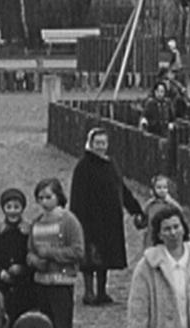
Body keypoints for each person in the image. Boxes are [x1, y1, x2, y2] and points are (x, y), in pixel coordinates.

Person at [69, 127, 145, 306]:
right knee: (90, 257)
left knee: (106, 256)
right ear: (91, 143)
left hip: (110, 219)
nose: (101, 147)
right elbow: (77, 196)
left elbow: (121, 189)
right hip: (89, 219)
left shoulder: (111, 164)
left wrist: (135, 209)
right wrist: (77, 220)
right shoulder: (84, 166)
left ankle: (102, 292)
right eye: (97, 143)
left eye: (103, 143)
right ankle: (89, 292)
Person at [127, 206, 190, 328]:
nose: (173, 233)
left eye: (176, 227)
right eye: (167, 229)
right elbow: (138, 309)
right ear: (159, 235)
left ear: (183, 229)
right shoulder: (147, 267)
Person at [27, 178, 84, 328]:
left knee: (61, 323)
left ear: (58, 197)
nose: (44, 202)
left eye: (48, 197)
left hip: (61, 282)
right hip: (41, 282)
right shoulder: (37, 222)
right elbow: (30, 251)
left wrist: (51, 253)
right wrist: (35, 261)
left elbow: (78, 251)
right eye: (40, 198)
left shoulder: (68, 221)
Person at [0, 188, 34, 325]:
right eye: (9, 207)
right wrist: (0, 272)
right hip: (1, 284)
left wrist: (23, 269)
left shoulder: (28, 231)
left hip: (25, 285)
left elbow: (33, 254)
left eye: (16, 207)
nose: (13, 211)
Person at [140, 175, 181, 248]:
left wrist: (170, 201)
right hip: (151, 237)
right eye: (159, 188)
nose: (162, 190)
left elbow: (180, 212)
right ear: (153, 189)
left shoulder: (170, 204)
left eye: (165, 187)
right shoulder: (150, 204)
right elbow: (144, 217)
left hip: (165, 236)